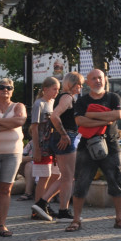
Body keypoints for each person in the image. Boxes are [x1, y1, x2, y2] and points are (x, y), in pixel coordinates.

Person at [67, 69, 121, 232]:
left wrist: (92, 116)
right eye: (93, 79)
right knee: (81, 183)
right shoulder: (81, 101)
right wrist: (105, 119)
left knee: (117, 182)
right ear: (87, 82)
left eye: (100, 78)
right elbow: (80, 121)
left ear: (105, 79)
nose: (97, 81)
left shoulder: (113, 97)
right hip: (86, 148)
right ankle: (76, 220)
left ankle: (119, 219)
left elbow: (118, 114)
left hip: (111, 146)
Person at [0, 78, 28, 237]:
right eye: (1, 87)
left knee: (5, 189)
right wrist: (9, 123)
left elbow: (20, 121)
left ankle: (1, 225)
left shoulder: (19, 106)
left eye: (9, 87)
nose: (5, 90)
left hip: (12, 153)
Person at [46, 72, 84, 221]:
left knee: (66, 176)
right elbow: (54, 116)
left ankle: (45, 202)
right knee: (69, 177)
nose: (80, 87)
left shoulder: (65, 97)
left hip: (65, 136)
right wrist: (63, 134)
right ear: (72, 85)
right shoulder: (67, 97)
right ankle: (60, 208)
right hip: (66, 136)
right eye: (79, 84)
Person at [29, 76, 61, 222]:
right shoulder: (39, 104)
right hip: (42, 145)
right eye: (54, 89)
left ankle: (44, 203)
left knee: (56, 175)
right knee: (44, 177)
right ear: (45, 89)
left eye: (58, 89)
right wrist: (36, 148)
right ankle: (37, 208)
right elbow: (34, 128)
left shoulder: (53, 102)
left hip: (53, 145)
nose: (56, 92)